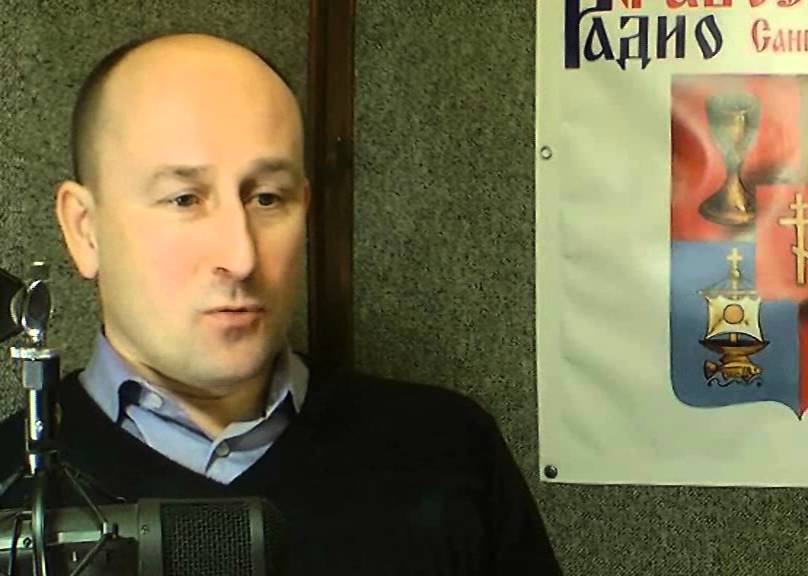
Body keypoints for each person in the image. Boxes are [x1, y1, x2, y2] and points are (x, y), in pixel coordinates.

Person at [0, 33, 561, 575]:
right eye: (184, 199)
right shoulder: (10, 485)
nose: (241, 256)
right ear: (85, 229)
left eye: (268, 198)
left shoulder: (447, 452)